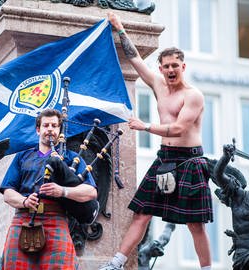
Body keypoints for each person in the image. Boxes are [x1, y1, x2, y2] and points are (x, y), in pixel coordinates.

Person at [100, 12, 213, 270]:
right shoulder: (158, 85)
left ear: (183, 67)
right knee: (141, 214)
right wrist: (119, 27)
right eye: (166, 66)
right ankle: (115, 264)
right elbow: (134, 58)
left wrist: (145, 126)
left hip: (190, 160)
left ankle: (206, 268)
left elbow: (178, 128)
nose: (171, 70)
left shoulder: (193, 95)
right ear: (161, 68)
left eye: (176, 65)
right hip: (164, 160)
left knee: (195, 224)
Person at [0, 108, 98, 269]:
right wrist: (24, 201)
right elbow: (8, 192)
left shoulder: (71, 158)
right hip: (23, 220)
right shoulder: (23, 156)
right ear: (38, 130)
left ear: (59, 131)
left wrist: (62, 191)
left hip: (56, 218)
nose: (50, 129)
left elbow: (91, 192)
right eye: (46, 126)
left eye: (54, 125)